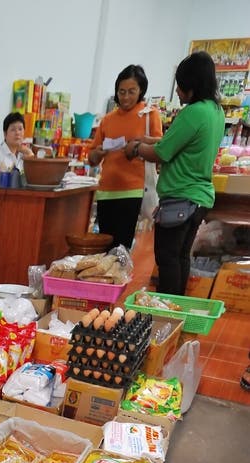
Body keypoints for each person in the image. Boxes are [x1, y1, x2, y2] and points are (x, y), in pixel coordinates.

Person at [125, 51, 225, 296]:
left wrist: (136, 147)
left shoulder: (193, 112)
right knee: (180, 257)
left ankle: (165, 315)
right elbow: (176, 142)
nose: (178, 92)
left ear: (193, 85)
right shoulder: (215, 111)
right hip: (198, 197)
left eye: (181, 86)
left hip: (180, 196)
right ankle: (177, 311)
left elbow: (162, 153)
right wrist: (147, 139)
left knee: (167, 258)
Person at [88, 64, 162, 249]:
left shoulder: (149, 115)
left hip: (133, 190)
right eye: (121, 92)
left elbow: (161, 147)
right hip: (106, 191)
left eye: (131, 91)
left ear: (141, 91)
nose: (126, 97)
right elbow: (91, 157)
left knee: (121, 248)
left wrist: (139, 145)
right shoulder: (108, 119)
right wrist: (97, 153)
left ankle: (120, 278)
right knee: (104, 247)